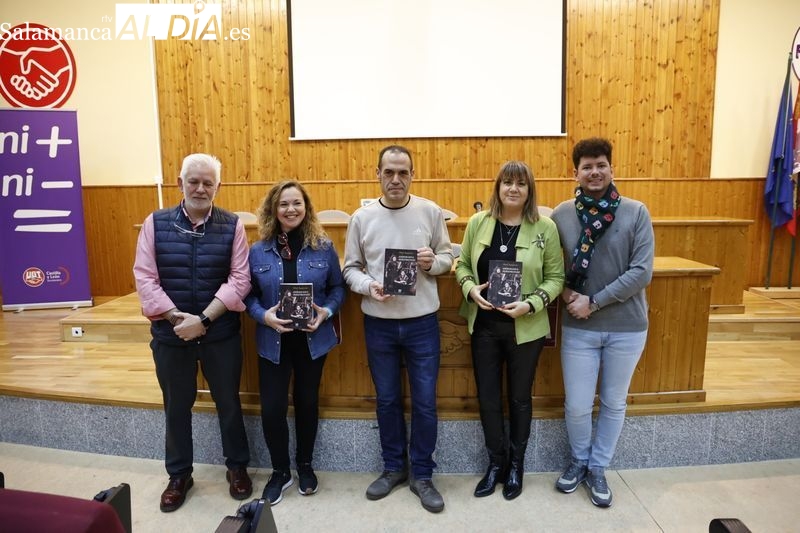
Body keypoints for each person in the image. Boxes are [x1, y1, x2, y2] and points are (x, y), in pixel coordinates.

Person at [133, 153, 252, 512]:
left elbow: (240, 278)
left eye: (208, 183)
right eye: (194, 181)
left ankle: (237, 467)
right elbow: (145, 277)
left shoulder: (233, 225)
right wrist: (175, 318)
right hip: (171, 336)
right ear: (180, 183)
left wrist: (204, 319)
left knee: (229, 403)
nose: (200, 188)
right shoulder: (155, 223)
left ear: (218, 186)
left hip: (220, 334)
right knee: (176, 407)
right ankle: (179, 475)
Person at [342, 145, 454, 513]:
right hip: (379, 324)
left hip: (423, 324)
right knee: (387, 400)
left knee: (425, 401)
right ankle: (393, 468)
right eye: (388, 172)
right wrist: (368, 286)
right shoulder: (362, 218)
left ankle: (422, 474)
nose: (395, 179)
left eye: (402, 172)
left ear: (412, 175)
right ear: (377, 174)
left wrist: (433, 263)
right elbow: (350, 268)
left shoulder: (430, 211)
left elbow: (448, 258)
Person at [550, 138, 654, 508]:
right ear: (575, 173)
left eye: (601, 165)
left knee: (613, 402)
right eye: (587, 167)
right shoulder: (561, 215)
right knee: (578, 405)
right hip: (579, 328)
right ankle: (579, 461)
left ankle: (598, 467)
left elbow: (641, 272)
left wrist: (593, 302)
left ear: (612, 169)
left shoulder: (636, 212)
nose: (595, 172)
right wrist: (567, 295)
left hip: (627, 327)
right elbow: (549, 267)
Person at [455, 161, 564, 500]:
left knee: (519, 399)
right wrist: (470, 289)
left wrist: (530, 304)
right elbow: (461, 264)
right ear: (498, 187)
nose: (513, 189)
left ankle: (516, 466)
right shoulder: (478, 222)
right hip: (484, 326)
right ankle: (495, 464)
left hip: (525, 329)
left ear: (529, 190)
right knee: (488, 398)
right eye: (507, 182)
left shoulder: (545, 227)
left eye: (521, 183)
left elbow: (556, 278)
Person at [245, 180, 345, 505]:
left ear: (306, 208)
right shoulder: (257, 251)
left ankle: (304, 465)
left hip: (312, 341)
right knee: (273, 408)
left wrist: (326, 312)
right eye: (284, 204)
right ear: (273, 209)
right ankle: (280, 471)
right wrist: (264, 316)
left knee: (307, 404)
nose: (291, 209)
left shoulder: (323, 247)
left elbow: (337, 288)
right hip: (272, 341)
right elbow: (248, 296)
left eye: (297, 203)